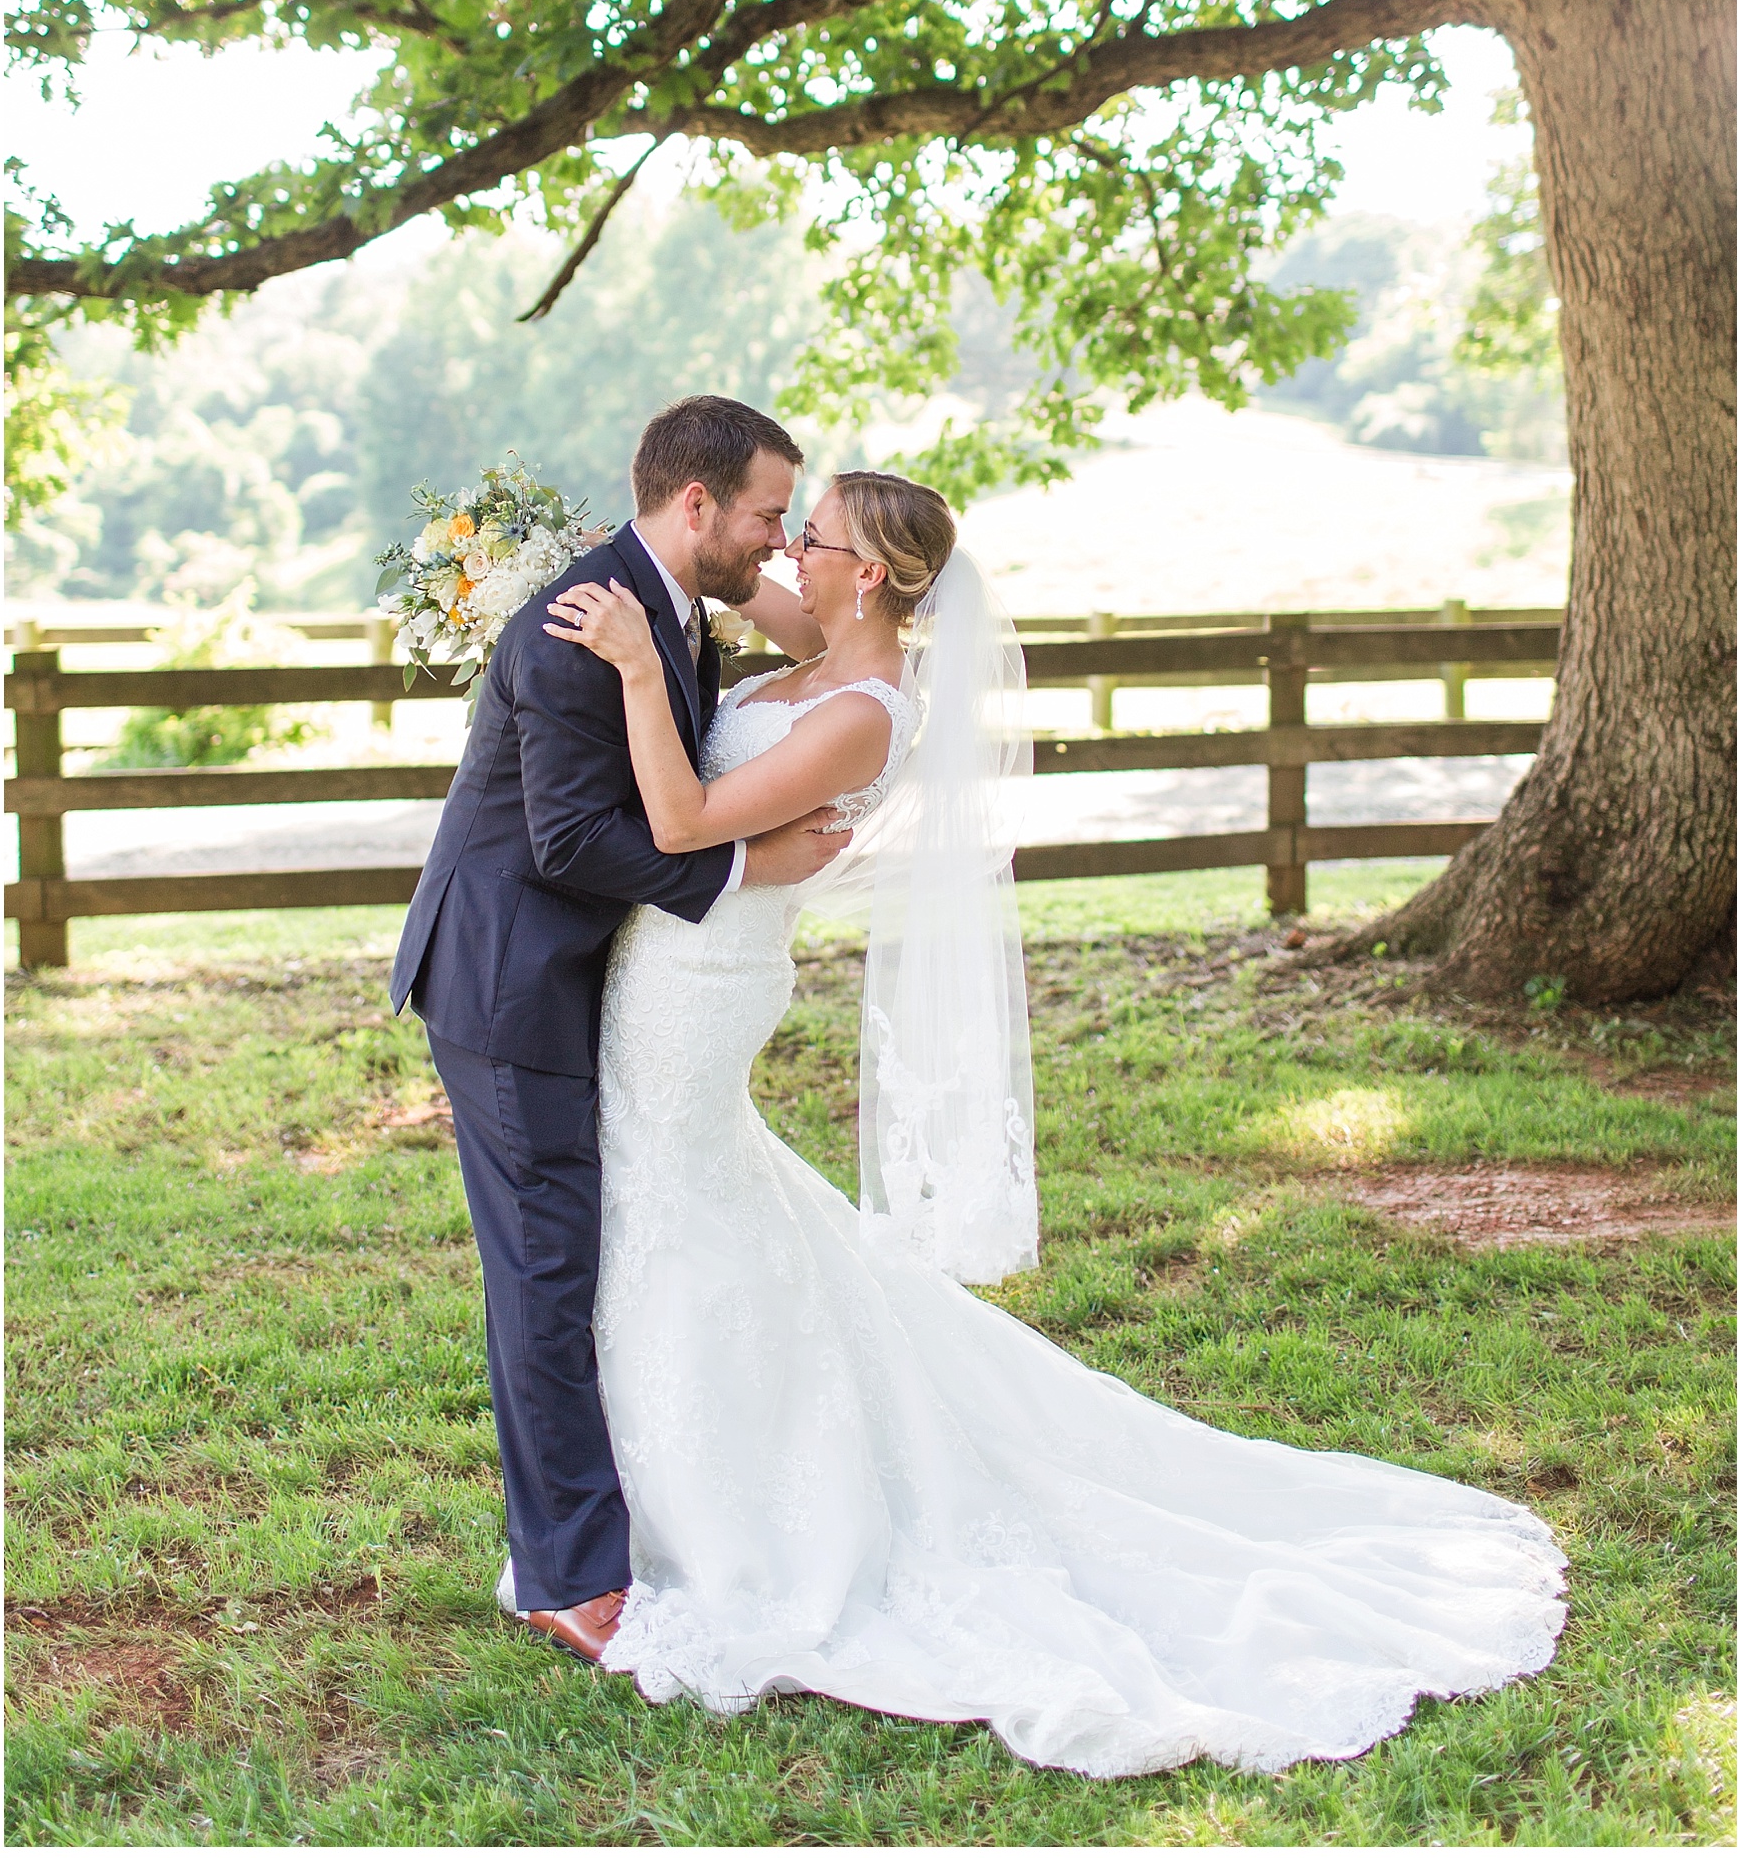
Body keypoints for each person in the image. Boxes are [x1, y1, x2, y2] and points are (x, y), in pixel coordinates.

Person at [541, 469, 1568, 1779]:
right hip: (662, 968)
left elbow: (684, 820)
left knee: (678, 1209)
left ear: (867, 575)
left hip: (704, 983)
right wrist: (631, 562)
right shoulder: (824, 641)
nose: (786, 547)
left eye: (813, 536)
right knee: (693, 1205)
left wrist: (635, 666)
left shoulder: (864, 713)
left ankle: (728, 1519)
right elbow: (750, 592)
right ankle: (671, 1486)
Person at [388, 395, 850, 1664]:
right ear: (694, 503)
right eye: (765, 514)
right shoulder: (577, 623)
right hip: (506, 983)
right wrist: (752, 861)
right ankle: (568, 1574)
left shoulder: (668, 601)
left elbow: (823, 637)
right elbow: (573, 839)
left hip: (571, 976)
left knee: (575, 1252)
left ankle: (608, 1524)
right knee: (545, 1269)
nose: (776, 538)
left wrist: (775, 584)